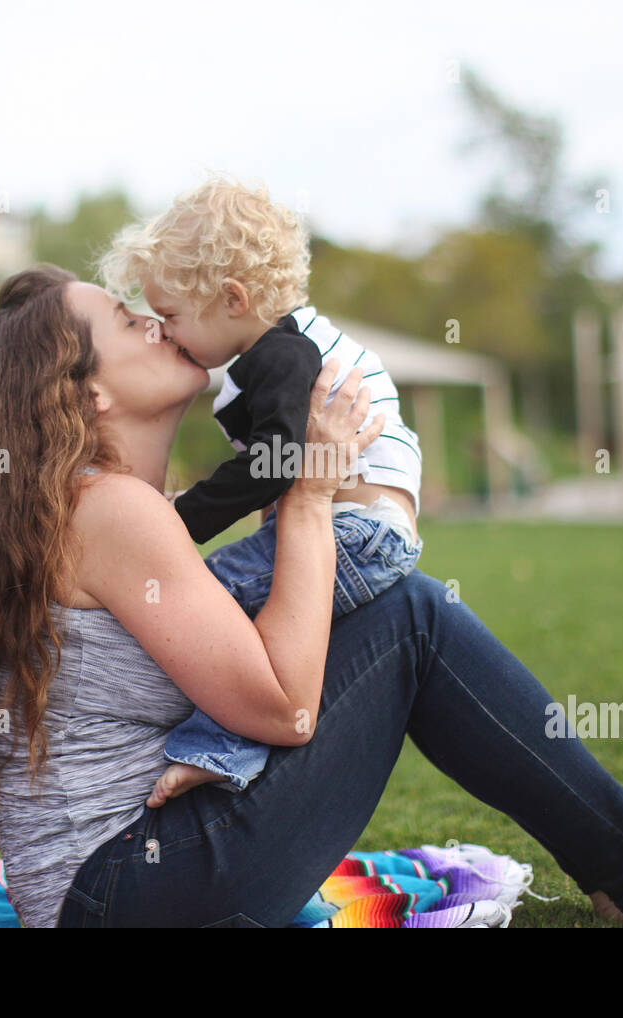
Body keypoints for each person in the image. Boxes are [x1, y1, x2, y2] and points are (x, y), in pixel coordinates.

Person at [0, 264, 623, 929]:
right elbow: (286, 708)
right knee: (409, 614)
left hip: (118, 887)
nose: (153, 320)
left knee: (393, 608)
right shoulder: (114, 511)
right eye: (125, 323)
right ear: (84, 397)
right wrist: (311, 484)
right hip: (132, 891)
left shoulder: (108, 508)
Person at [98, 177, 424, 804]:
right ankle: (227, 743)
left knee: (203, 606)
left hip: (354, 530)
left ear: (231, 298)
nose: (165, 332)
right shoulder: (289, 347)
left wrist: (178, 519)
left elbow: (275, 463)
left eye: (170, 316)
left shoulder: (283, 355)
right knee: (253, 629)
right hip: (370, 530)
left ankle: (216, 749)